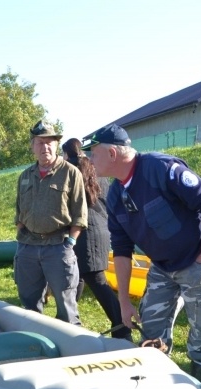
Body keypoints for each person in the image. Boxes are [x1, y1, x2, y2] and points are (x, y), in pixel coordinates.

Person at [83, 124, 201, 389]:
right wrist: (124, 302)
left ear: (112, 153)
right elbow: (122, 250)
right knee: (151, 325)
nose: (90, 160)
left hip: (197, 260)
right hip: (162, 266)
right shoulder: (115, 195)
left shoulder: (160, 169)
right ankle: (158, 385)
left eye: (93, 153)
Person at [14, 120, 87, 325]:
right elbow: (19, 210)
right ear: (32, 146)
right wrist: (23, 233)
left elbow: (80, 214)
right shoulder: (25, 176)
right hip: (28, 247)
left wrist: (70, 242)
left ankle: (72, 346)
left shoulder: (71, 173)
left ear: (56, 145)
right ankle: (35, 345)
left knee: (66, 305)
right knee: (29, 304)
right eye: (40, 142)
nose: (45, 147)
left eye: (50, 142)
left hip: (58, 246)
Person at [61, 138, 130, 341]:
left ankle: (122, 326)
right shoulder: (97, 168)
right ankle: (67, 319)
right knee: (78, 277)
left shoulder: (70, 170)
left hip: (85, 232)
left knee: (96, 280)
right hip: (102, 227)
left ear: (66, 154)